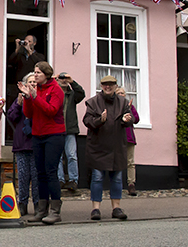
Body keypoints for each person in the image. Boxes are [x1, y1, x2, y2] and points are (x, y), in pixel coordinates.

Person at [83, 74, 134, 221]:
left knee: (117, 179)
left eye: (111, 85)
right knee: (97, 178)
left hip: (117, 147)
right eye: (105, 84)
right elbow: (87, 120)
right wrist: (100, 120)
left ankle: (116, 208)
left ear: (115, 86)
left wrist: (126, 120)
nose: (108, 87)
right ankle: (95, 209)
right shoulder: (93, 102)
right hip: (98, 146)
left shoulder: (123, 102)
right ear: (101, 86)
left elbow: (131, 118)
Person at [21, 61, 66, 224]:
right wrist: (27, 97)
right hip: (38, 134)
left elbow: (51, 110)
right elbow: (28, 113)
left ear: (46, 74)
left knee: (50, 171)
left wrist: (34, 97)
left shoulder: (56, 90)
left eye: (38, 72)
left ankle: (55, 210)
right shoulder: (36, 90)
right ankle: (41, 210)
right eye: (34, 72)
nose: (35, 75)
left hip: (54, 134)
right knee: (40, 173)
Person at [6, 72, 37, 216]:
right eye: (30, 82)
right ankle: (22, 204)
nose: (32, 84)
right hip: (21, 143)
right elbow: (12, 117)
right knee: (23, 176)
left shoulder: (39, 98)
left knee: (36, 176)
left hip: (36, 143)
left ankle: (38, 204)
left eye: (35, 82)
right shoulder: (19, 99)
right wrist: (18, 103)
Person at [56, 72, 86, 194]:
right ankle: (60, 179)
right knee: (58, 156)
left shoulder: (73, 94)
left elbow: (81, 94)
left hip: (70, 129)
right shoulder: (54, 92)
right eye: (61, 78)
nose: (63, 80)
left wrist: (72, 82)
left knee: (72, 155)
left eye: (65, 78)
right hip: (57, 129)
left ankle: (73, 180)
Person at [116, 86, 140, 196]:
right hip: (117, 137)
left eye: (122, 93)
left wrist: (130, 109)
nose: (121, 94)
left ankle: (131, 184)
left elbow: (136, 119)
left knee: (130, 162)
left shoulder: (130, 106)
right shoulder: (114, 107)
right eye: (119, 93)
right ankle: (117, 184)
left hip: (129, 137)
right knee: (118, 161)